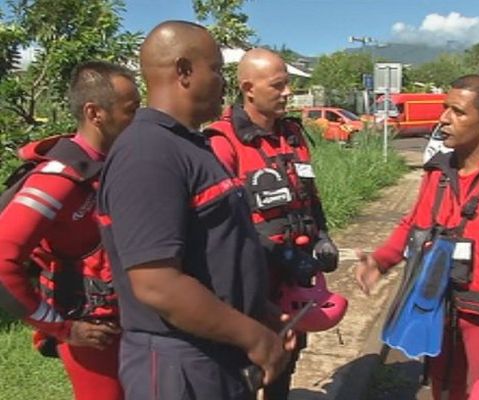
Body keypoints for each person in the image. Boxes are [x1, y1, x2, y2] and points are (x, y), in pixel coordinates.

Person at [96, 21, 293, 400]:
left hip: (213, 351)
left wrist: (257, 309)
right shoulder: (148, 153)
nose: (223, 82)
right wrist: (252, 336)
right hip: (178, 364)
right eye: (217, 69)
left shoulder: (189, 144)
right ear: (184, 71)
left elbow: (212, 250)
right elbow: (157, 284)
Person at [355, 75, 479, 399]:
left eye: (457, 111)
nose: (443, 118)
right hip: (436, 307)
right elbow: (413, 224)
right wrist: (380, 261)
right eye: (444, 108)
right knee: (441, 389)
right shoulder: (437, 172)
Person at [0, 60, 140, 400]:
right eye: (131, 110)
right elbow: (3, 261)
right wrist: (63, 329)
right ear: (95, 112)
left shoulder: (115, 165)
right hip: (94, 333)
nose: (138, 119)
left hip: (133, 325)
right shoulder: (56, 180)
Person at [207, 47, 341, 400]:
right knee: (247, 368)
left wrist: (322, 236)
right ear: (248, 88)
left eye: (289, 85)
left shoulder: (293, 135)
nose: (287, 93)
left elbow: (310, 196)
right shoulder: (223, 141)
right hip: (251, 279)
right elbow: (222, 225)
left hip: (296, 276)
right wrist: (274, 253)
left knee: (287, 357)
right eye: (278, 85)